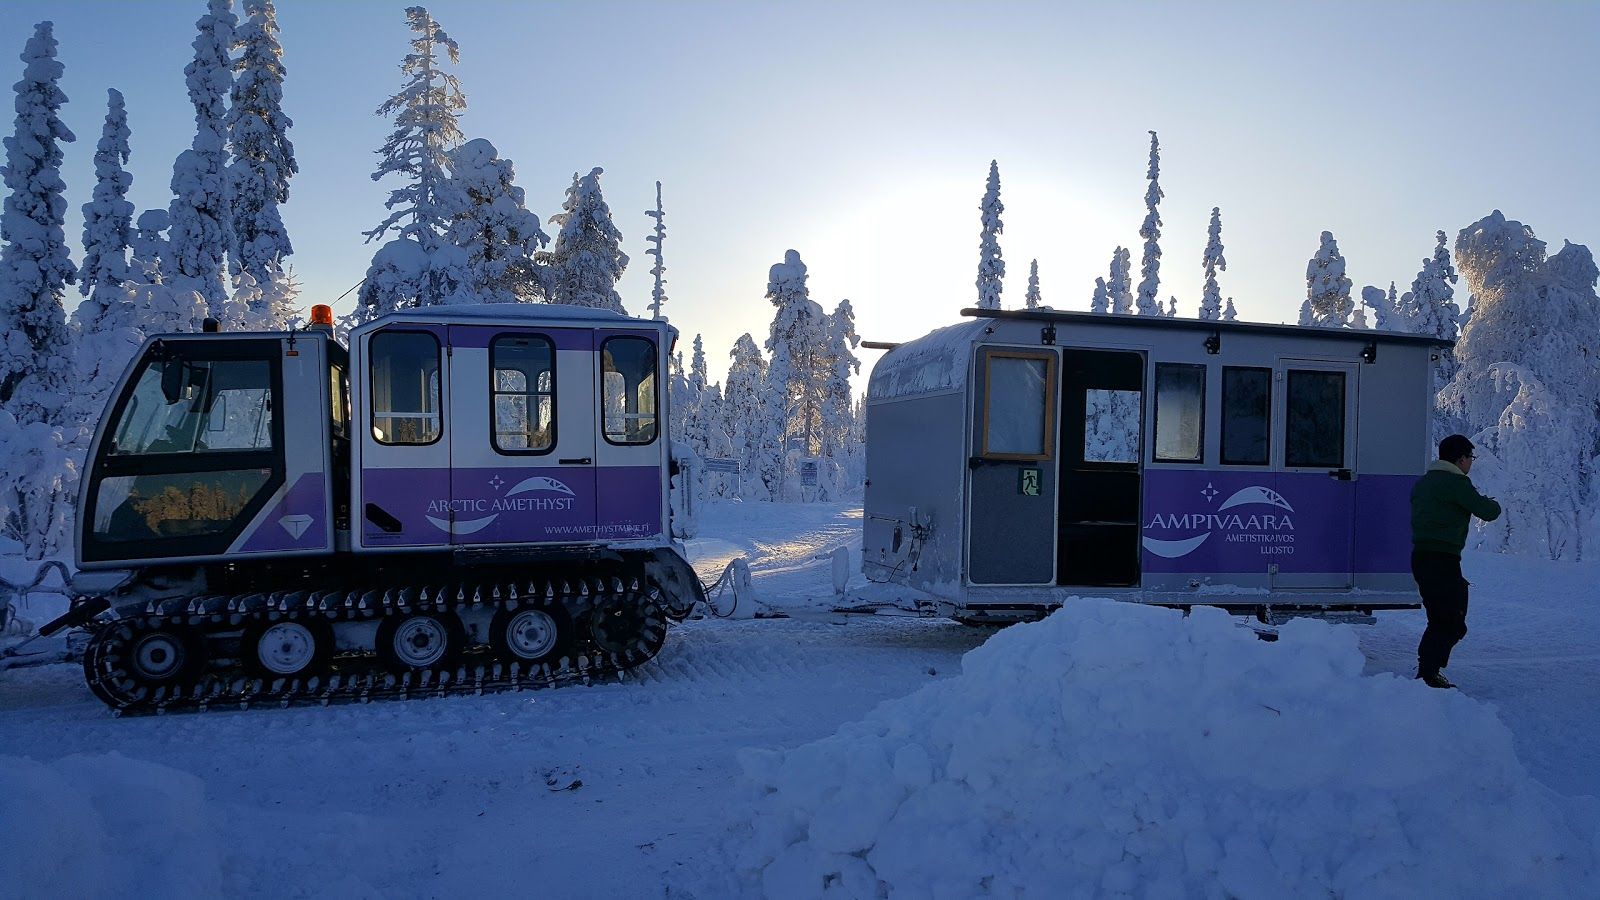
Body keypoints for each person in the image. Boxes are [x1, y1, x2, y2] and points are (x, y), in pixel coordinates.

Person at [1410, 434, 1501, 689]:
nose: (1471, 463)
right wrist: (1492, 503)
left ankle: (1428, 672)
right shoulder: (1456, 483)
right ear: (1461, 459)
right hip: (1443, 559)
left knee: (1440, 618)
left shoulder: (1424, 483)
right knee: (1451, 622)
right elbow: (1488, 511)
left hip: (1421, 557)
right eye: (1470, 458)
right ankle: (1428, 675)